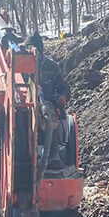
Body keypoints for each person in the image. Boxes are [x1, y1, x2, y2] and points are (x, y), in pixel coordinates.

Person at [27, 31, 70, 169]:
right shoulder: (19, 67)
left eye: (34, 49)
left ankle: (53, 155)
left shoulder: (51, 66)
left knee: (51, 119)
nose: (32, 52)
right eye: (29, 49)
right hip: (24, 106)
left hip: (48, 105)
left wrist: (63, 97)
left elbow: (63, 87)